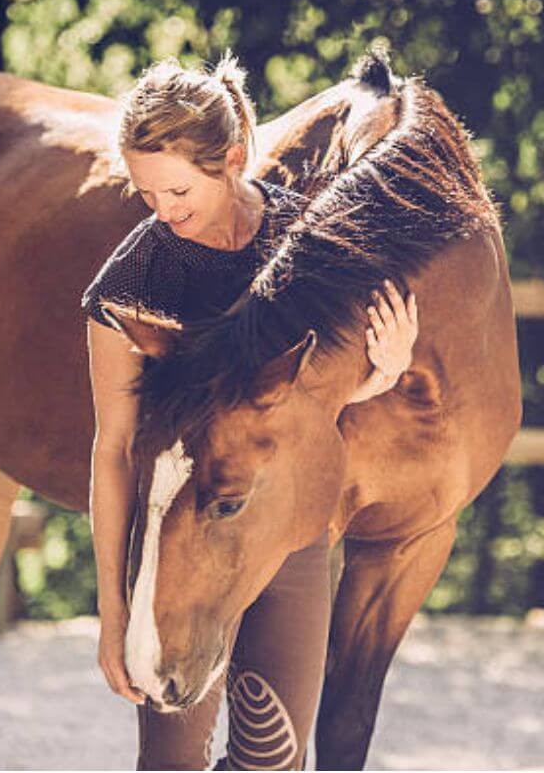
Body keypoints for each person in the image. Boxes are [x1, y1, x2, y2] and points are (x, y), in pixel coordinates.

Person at [81, 53, 418, 770]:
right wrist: (114, 610)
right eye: (146, 195)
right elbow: (113, 450)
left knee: (275, 762)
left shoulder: (310, 249)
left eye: (177, 191)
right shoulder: (131, 283)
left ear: (232, 159)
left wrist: (383, 371)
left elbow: (298, 406)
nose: (163, 212)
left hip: (284, 537)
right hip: (180, 544)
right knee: (172, 762)